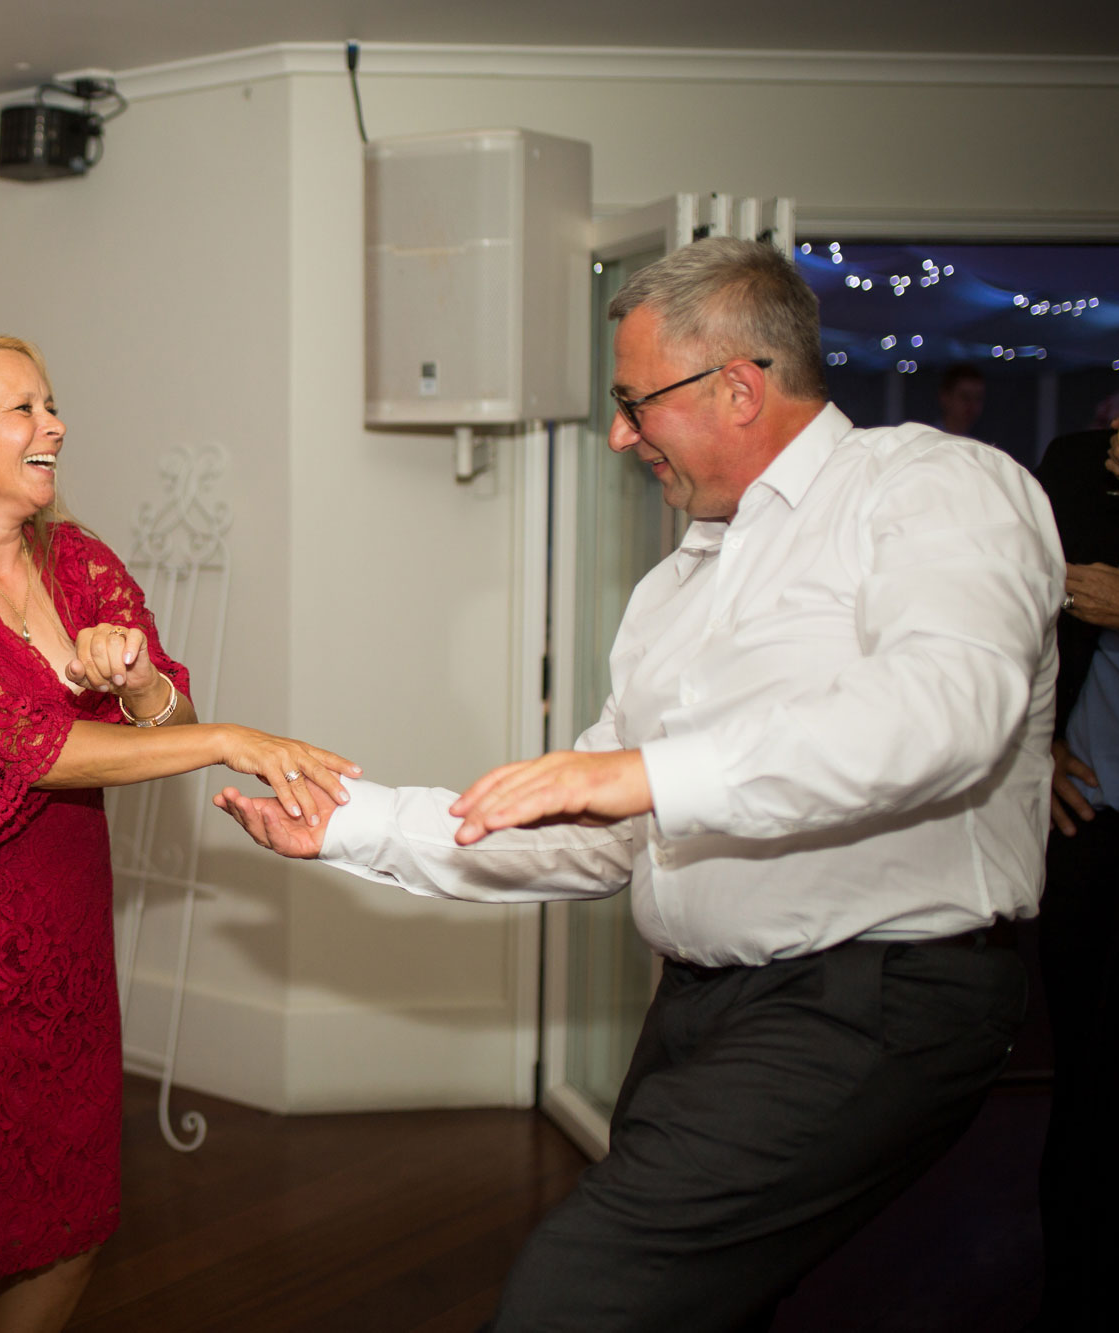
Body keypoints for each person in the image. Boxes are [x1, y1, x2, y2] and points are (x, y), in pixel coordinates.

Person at [217, 238, 1060, 1331]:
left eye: (633, 401)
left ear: (736, 386)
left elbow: (943, 712)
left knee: (576, 1297)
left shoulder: (933, 488)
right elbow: (599, 831)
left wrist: (639, 772)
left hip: (874, 996)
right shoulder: (672, 587)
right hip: (703, 1005)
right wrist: (354, 825)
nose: (618, 435)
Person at [0, 335, 356, 1333]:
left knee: (73, 1228)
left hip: (66, 927)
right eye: (22, 410)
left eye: (52, 405)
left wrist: (139, 682)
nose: (54, 426)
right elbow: (32, 750)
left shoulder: (75, 560)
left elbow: (159, 712)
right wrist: (231, 742)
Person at [1032, 413, 1119, 1331]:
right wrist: (1038, 746)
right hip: (1092, 818)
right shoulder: (1077, 466)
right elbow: (1026, 615)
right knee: (1086, 1082)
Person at [937, 362, 986, 439]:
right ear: (946, 397)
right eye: (965, 397)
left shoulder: (975, 447)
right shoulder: (930, 442)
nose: (972, 405)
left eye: (978, 398)